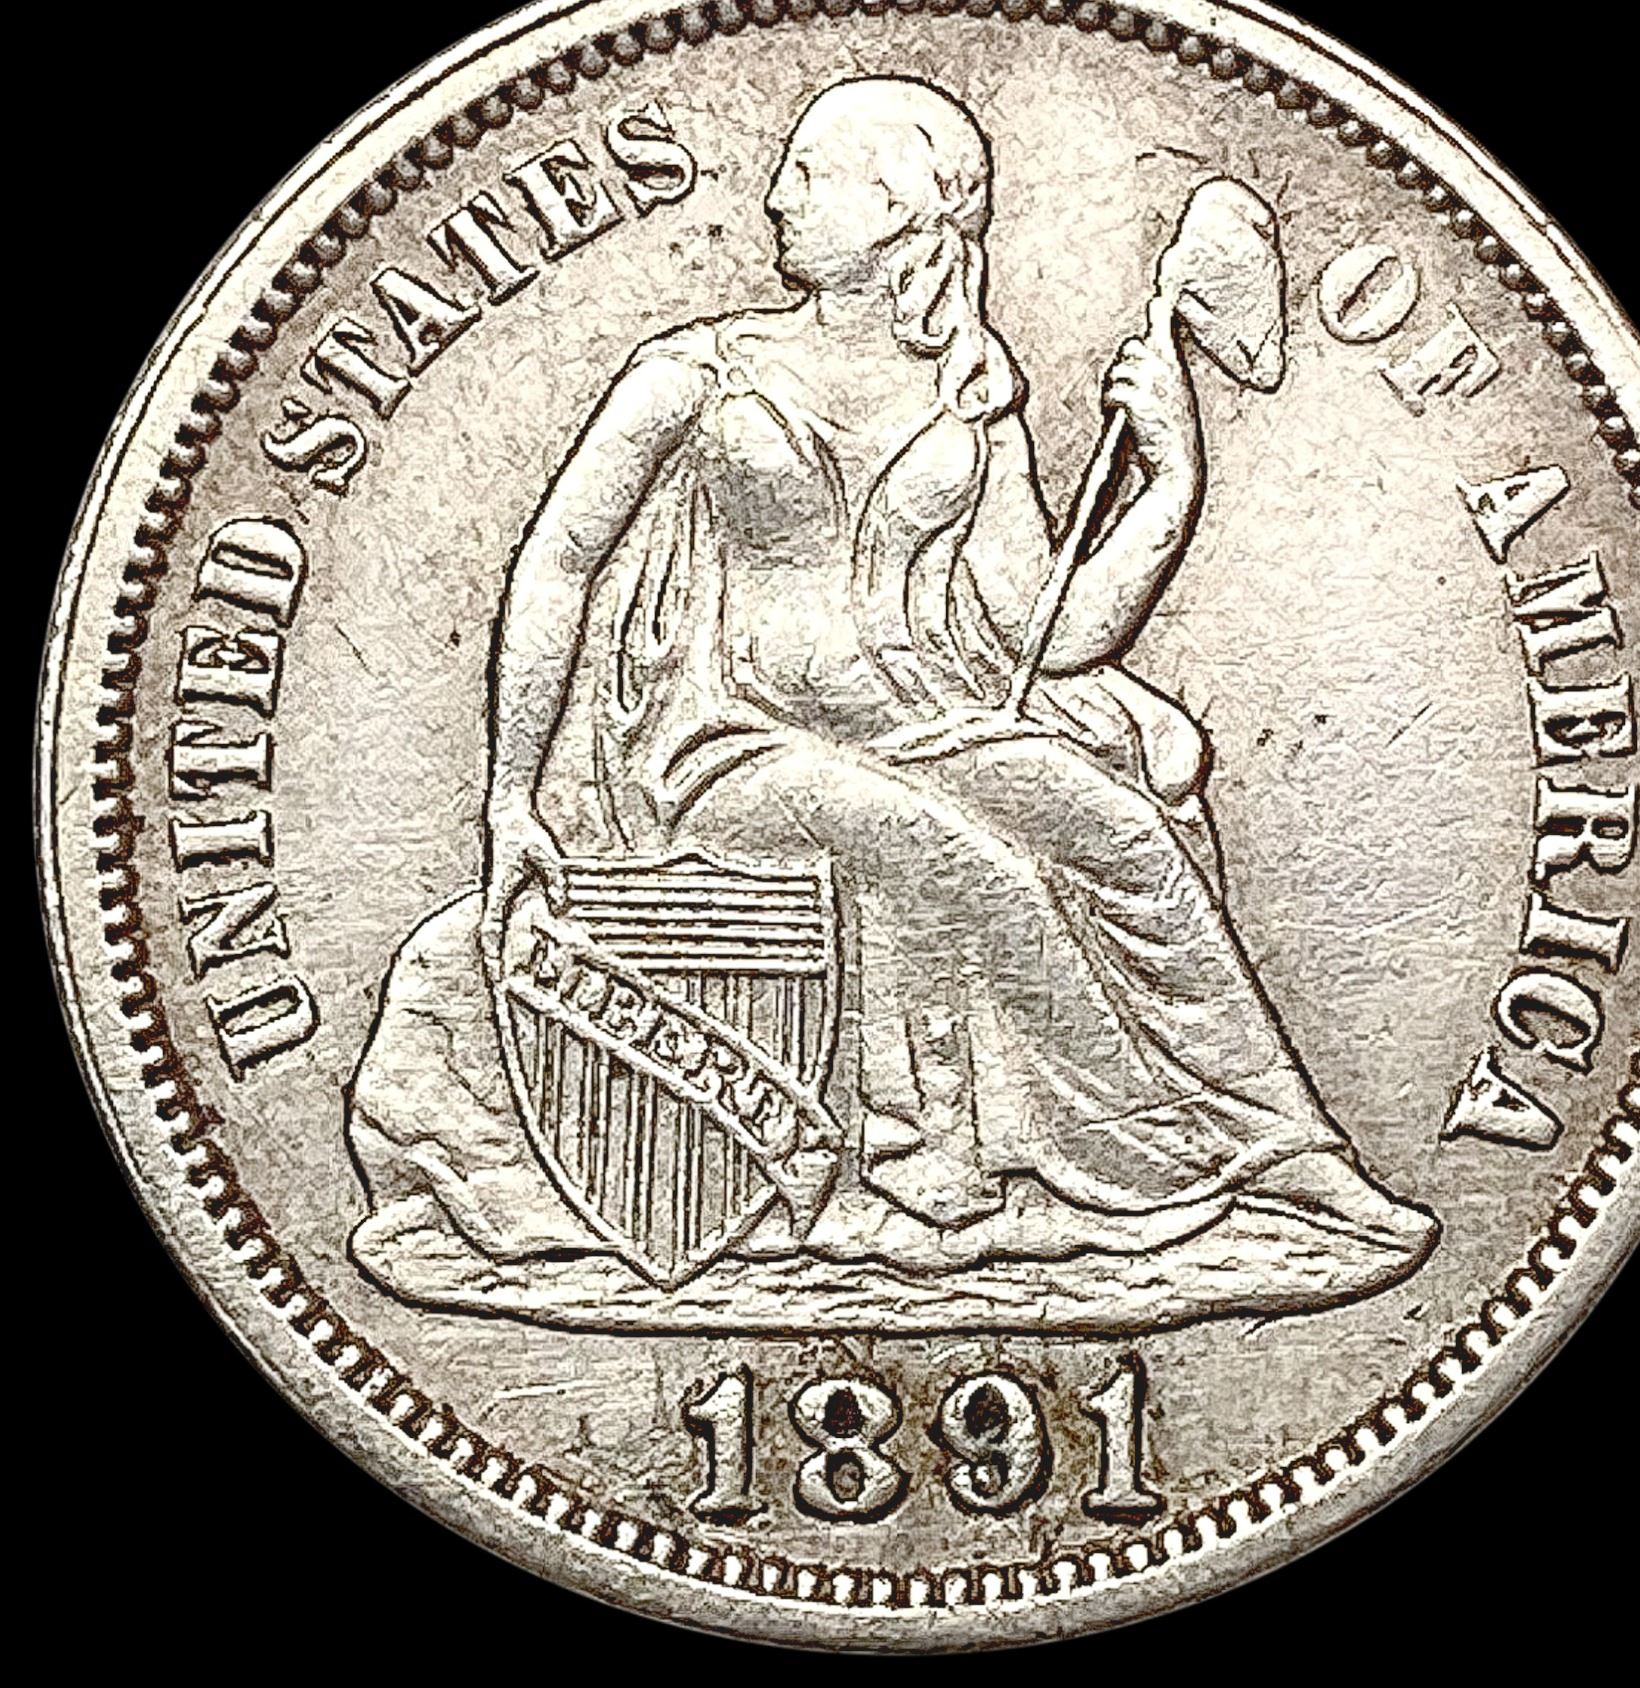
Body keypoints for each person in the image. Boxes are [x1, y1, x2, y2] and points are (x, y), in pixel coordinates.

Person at [348, 75, 1436, 1304]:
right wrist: (510, 799)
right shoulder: (695, 372)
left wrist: (1169, 480)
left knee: (1124, 835)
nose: (777, 198)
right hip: (724, 748)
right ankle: (1155, 1170)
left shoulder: (972, 390)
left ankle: (1290, 1154)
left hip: (927, 724)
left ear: (899, 208)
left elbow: (1053, 634)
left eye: (810, 174)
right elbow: (557, 564)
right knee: (961, 860)